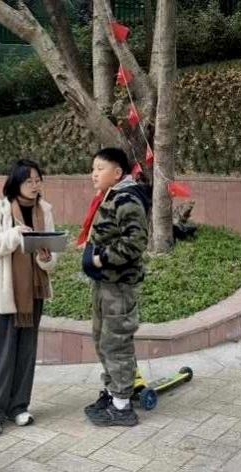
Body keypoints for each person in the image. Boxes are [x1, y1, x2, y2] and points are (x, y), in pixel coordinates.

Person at [0, 159, 58, 436]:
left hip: (33, 292)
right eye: (29, 181)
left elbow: (52, 258)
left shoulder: (44, 210)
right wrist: (14, 235)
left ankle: (19, 407)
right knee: (2, 354)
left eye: (38, 180)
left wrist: (45, 257)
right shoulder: (0, 208)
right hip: (5, 292)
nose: (35, 185)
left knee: (26, 352)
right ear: (16, 183)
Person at [80, 147, 151, 427]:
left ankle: (122, 405)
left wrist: (101, 258)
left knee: (116, 342)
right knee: (102, 340)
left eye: (100, 168)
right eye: (93, 169)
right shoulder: (111, 196)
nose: (93, 174)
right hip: (104, 283)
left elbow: (136, 241)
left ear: (118, 172)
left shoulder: (126, 199)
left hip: (118, 285)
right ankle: (113, 392)